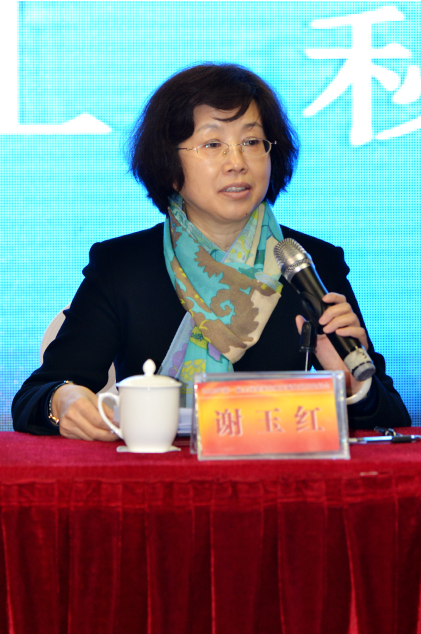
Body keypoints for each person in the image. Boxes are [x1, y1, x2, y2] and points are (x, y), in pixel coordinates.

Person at [12, 63, 411, 439]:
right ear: (169, 165)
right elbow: (37, 395)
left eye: (251, 142)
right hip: (158, 476)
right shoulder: (123, 266)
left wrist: (354, 387)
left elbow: (394, 417)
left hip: (283, 476)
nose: (237, 162)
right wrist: (63, 401)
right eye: (213, 144)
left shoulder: (310, 263)